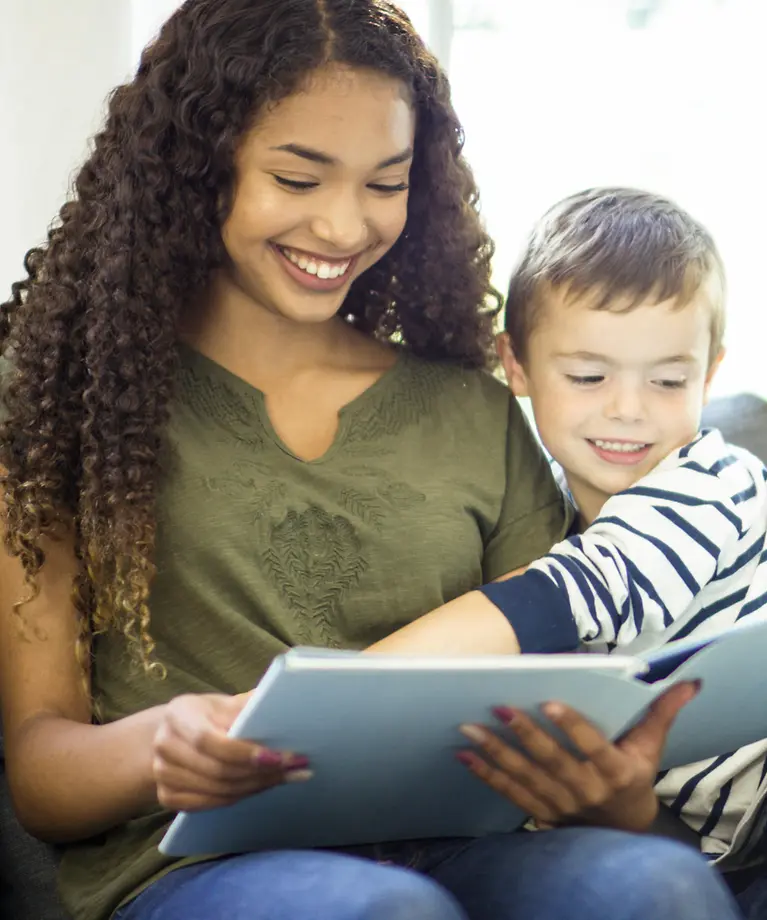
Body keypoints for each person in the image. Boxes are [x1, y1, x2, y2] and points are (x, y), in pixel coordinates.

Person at [0, 3, 741, 920]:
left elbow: (554, 690)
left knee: (655, 884)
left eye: (383, 183)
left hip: (468, 844)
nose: (344, 226)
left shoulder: (471, 409)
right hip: (202, 870)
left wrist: (616, 800)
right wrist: (158, 743)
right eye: (298, 177)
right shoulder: (63, 401)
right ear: (196, 168)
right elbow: (41, 772)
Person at [390, 188, 767, 912]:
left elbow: (560, 598)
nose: (628, 408)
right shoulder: (536, 518)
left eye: (668, 380)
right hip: (694, 849)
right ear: (518, 365)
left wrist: (315, 696)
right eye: (589, 377)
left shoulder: (713, 483)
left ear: (709, 374)